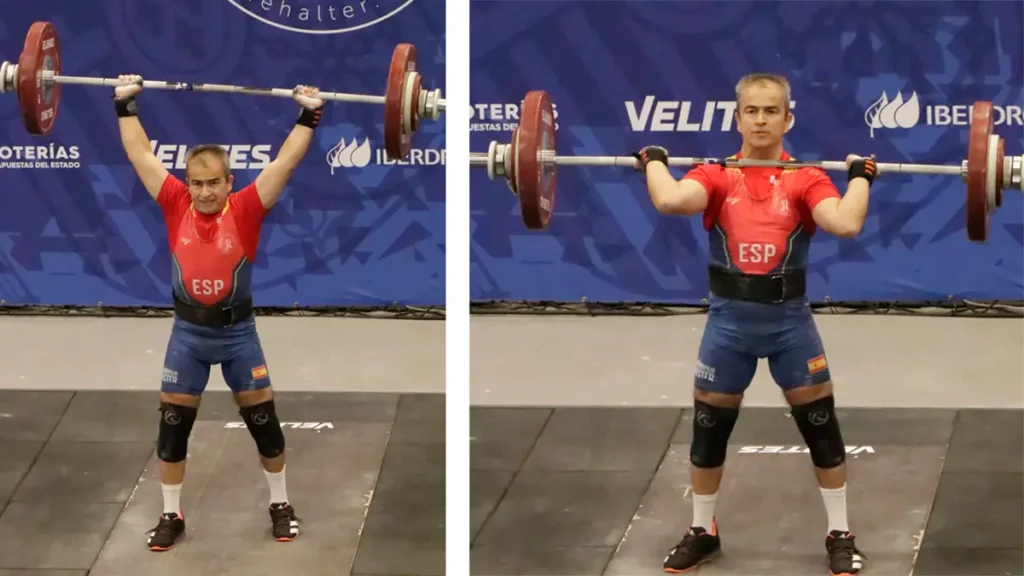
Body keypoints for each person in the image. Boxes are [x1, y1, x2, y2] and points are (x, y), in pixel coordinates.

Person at [633, 73, 876, 576]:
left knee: (821, 429)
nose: (761, 120)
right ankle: (704, 531)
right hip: (728, 327)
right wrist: (655, 163)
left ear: (788, 118)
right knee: (708, 432)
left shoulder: (807, 177)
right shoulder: (716, 174)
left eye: (771, 111)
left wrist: (860, 178)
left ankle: (839, 533)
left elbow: (845, 223)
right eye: (752, 111)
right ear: (738, 116)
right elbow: (672, 201)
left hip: (790, 326)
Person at [112, 74, 325, 551]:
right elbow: (140, 155)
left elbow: (286, 163)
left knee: (264, 424)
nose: (204, 192)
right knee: (172, 430)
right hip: (187, 334)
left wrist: (309, 113)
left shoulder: (246, 208)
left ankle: (281, 504)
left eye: (213, 184)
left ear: (230, 182)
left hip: (237, 335)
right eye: (196, 184)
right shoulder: (174, 203)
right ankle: (171, 514)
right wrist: (125, 104)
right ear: (187, 184)